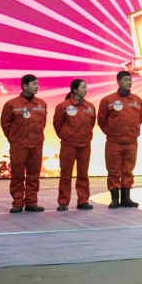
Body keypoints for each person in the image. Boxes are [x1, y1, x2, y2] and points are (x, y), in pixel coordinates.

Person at [0, 74, 47, 213]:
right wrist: (14, 139)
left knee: (34, 175)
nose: (37, 86)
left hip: (36, 145)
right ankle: (17, 203)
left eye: (37, 84)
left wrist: (37, 137)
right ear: (25, 86)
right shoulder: (11, 104)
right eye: (34, 84)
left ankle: (32, 202)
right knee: (17, 175)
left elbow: (43, 123)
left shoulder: (42, 104)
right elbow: (5, 124)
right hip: (19, 146)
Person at [98, 71, 142, 209]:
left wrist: (133, 131)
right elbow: (101, 120)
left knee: (128, 170)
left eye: (130, 80)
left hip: (131, 142)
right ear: (118, 82)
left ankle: (126, 199)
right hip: (114, 142)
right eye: (125, 80)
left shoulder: (137, 100)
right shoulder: (108, 100)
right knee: (113, 170)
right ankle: (114, 199)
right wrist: (111, 132)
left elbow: (140, 118)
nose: (128, 82)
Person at [53, 79, 96, 211]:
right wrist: (66, 136)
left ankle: (83, 200)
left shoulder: (90, 107)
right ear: (74, 90)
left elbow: (92, 124)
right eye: (82, 87)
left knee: (83, 174)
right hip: (68, 145)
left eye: (86, 87)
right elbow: (57, 124)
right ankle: (63, 202)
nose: (85, 90)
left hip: (85, 145)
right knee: (66, 174)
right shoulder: (63, 106)